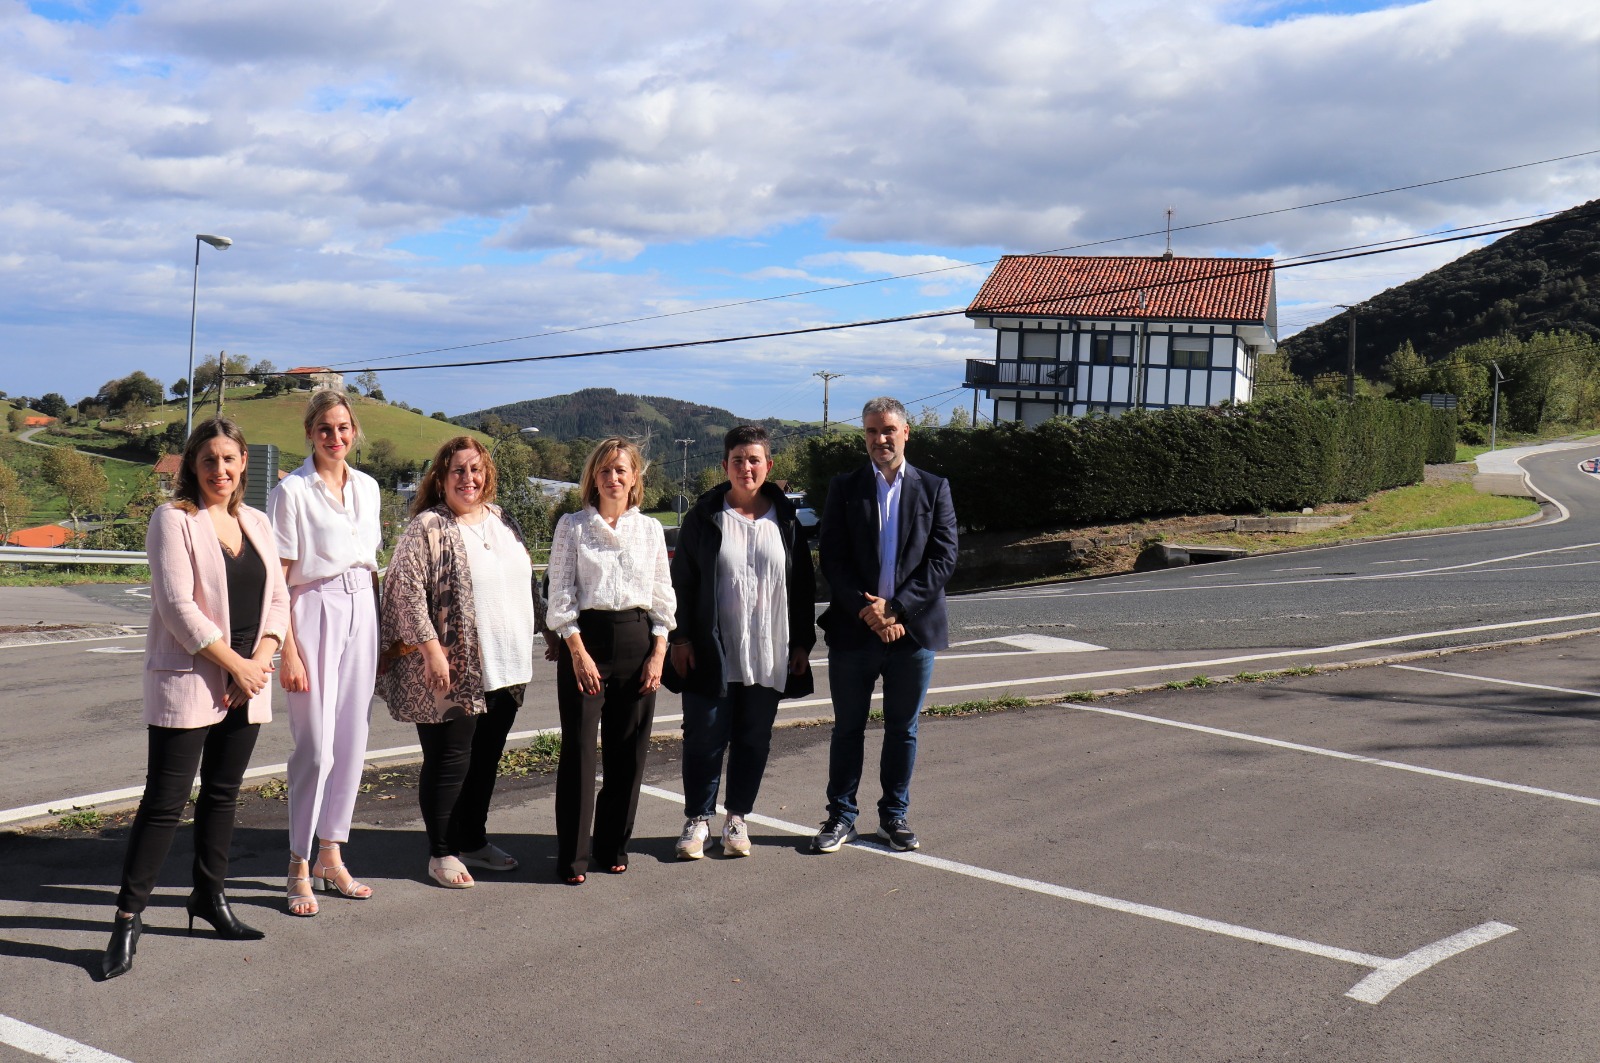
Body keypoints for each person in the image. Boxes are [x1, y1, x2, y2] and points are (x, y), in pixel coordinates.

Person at [102, 418, 290, 980]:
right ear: (193, 465)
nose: (220, 470)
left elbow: (278, 600)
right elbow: (177, 607)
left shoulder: (257, 522)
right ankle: (127, 918)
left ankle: (209, 897)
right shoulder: (173, 519)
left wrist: (259, 661)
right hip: (192, 677)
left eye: (229, 459)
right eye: (209, 460)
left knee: (223, 797)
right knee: (164, 802)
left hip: (247, 680)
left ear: (244, 463)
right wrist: (237, 666)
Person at [379, 436, 538, 889]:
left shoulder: (502, 519)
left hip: (507, 665)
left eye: (476, 469)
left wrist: (548, 629)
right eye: (458, 471)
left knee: (484, 761)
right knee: (450, 761)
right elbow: (404, 591)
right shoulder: (428, 525)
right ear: (441, 479)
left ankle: (472, 841)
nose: (469, 478)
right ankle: (442, 852)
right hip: (452, 667)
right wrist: (432, 650)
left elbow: (525, 581)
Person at [811, 396, 958, 855]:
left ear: (905, 432)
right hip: (855, 631)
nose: (880, 439)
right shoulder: (845, 487)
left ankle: (894, 816)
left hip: (913, 633)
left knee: (903, 730)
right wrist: (870, 611)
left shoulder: (934, 487)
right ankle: (841, 816)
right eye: (872, 431)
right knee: (847, 729)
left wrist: (897, 609)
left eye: (888, 430)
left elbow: (943, 558)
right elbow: (832, 558)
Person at [665, 425, 815, 859]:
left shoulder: (786, 519)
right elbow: (682, 581)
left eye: (754, 460)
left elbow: (803, 587)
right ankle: (697, 820)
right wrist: (681, 637)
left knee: (754, 737)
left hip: (769, 648)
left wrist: (801, 644)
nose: (746, 467)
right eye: (737, 460)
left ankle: (737, 819)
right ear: (725, 465)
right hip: (712, 648)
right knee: (703, 735)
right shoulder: (704, 517)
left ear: (768, 465)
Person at [267, 389, 382, 917]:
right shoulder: (291, 491)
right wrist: (287, 650)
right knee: (315, 748)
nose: (336, 437)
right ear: (310, 433)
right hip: (313, 608)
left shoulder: (369, 487)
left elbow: (369, 562)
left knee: (353, 739)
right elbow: (278, 579)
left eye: (343, 428)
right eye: (325, 429)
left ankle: (331, 855)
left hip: (362, 606)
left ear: (353, 431)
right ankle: (298, 863)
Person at [545, 437, 675, 884]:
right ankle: (573, 857)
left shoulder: (651, 529)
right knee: (580, 753)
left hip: (639, 641)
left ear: (635, 476)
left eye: (621, 469)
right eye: (605, 470)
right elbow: (560, 593)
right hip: (587, 640)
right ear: (593, 477)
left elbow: (662, 596)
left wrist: (658, 652)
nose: (613, 477)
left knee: (628, 753)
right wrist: (577, 652)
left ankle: (612, 846)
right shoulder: (573, 526)